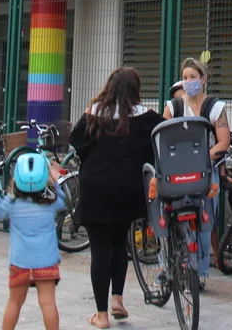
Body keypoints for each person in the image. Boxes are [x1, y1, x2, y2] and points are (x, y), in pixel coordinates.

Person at [70, 67, 164, 329]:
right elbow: (161, 140)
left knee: (99, 250)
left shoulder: (94, 113)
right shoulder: (147, 117)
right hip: (126, 190)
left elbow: (76, 141)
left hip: (95, 188)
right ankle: (117, 300)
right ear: (135, 89)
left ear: (109, 86)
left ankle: (101, 315)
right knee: (119, 244)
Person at [162, 58, 232, 289]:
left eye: (193, 77)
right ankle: (166, 267)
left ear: (203, 79)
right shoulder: (174, 106)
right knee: (169, 216)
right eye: (185, 77)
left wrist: (201, 159)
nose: (188, 81)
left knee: (204, 221)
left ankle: (199, 273)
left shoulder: (215, 108)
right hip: (177, 171)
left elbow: (223, 142)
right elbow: (162, 136)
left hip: (205, 171)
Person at [0, 152, 66, 330]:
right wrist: (55, 184)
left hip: (20, 261)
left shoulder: (12, 202)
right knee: (48, 303)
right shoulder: (50, 202)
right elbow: (63, 202)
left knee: (14, 302)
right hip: (46, 260)